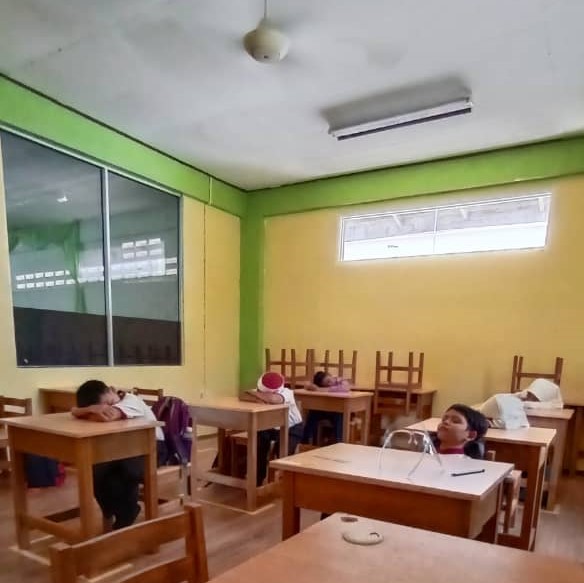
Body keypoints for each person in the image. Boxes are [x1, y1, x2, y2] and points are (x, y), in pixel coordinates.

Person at [72, 380, 166, 530]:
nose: (107, 408)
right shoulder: (104, 405)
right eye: (101, 407)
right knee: (95, 470)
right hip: (125, 449)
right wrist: (89, 409)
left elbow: (106, 416)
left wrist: (85, 411)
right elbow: (75, 411)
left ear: (112, 389)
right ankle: (115, 511)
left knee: (125, 470)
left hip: (153, 449)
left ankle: (126, 513)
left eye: (108, 403)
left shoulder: (131, 401)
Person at [241, 371, 304, 486]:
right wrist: (258, 398)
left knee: (282, 454)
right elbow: (243, 395)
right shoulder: (260, 392)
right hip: (269, 427)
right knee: (257, 446)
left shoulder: (287, 392)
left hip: (291, 428)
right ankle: (257, 482)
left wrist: (254, 394)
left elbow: (274, 399)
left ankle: (283, 484)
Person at [302, 371, 350, 445]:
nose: (330, 384)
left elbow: (345, 388)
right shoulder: (320, 386)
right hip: (325, 410)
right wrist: (311, 386)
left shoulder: (340, 380)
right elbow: (307, 386)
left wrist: (320, 389)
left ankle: (339, 443)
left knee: (339, 416)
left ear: (330, 375)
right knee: (313, 412)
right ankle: (306, 441)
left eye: (329, 380)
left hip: (337, 411)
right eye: (327, 384)